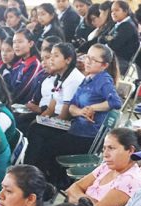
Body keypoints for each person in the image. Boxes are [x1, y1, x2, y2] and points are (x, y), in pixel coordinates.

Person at [26, 43, 122, 188]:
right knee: (37, 131)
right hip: (76, 129)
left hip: (87, 136)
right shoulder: (87, 79)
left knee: (46, 148)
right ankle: (43, 180)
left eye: (93, 60)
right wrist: (81, 111)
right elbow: (71, 107)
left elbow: (115, 102)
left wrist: (92, 107)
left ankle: (44, 183)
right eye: (87, 57)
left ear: (104, 65)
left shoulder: (103, 79)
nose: (88, 62)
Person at [65, 128, 141, 206]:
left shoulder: (131, 180)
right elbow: (72, 189)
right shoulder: (106, 167)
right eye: (104, 148)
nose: (105, 154)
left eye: (111, 148)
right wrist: (89, 202)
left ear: (130, 150)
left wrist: (78, 198)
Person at [99, 1, 139, 75]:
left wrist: (108, 38)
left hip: (121, 60)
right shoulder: (117, 24)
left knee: (95, 66)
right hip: (112, 57)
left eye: (117, 10)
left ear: (125, 11)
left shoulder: (127, 26)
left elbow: (114, 45)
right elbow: (100, 38)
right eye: (112, 11)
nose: (113, 13)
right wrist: (110, 38)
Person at [7, 28, 43, 105]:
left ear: (30, 44)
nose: (16, 45)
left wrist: (9, 103)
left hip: (25, 106)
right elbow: (10, 85)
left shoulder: (35, 64)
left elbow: (24, 89)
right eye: (14, 42)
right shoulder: (18, 63)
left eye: (20, 42)